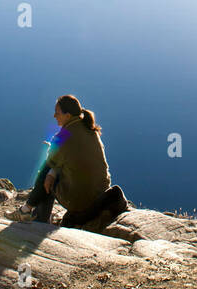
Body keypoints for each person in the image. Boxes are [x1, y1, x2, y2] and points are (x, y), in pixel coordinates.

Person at [16, 95, 128, 228]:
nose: (54, 116)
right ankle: (29, 211)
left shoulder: (63, 136)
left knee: (46, 174)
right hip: (101, 192)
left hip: (80, 202)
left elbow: (49, 163)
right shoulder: (90, 129)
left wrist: (51, 168)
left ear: (67, 115)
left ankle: (34, 216)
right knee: (54, 171)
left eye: (57, 113)